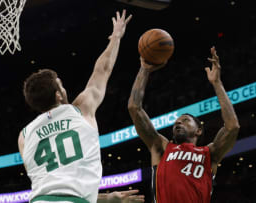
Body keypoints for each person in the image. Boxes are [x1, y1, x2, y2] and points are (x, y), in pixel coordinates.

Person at [18, 10, 143, 203]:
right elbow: (103, 69)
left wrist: (107, 199)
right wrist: (116, 37)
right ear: (59, 95)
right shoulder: (80, 109)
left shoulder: (24, 136)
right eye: (60, 84)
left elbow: (51, 186)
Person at [128, 47, 240, 202]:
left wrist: (217, 83)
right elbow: (134, 108)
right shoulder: (161, 147)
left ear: (199, 130)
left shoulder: (209, 154)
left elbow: (232, 127)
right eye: (176, 122)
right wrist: (144, 70)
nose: (178, 123)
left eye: (185, 120)